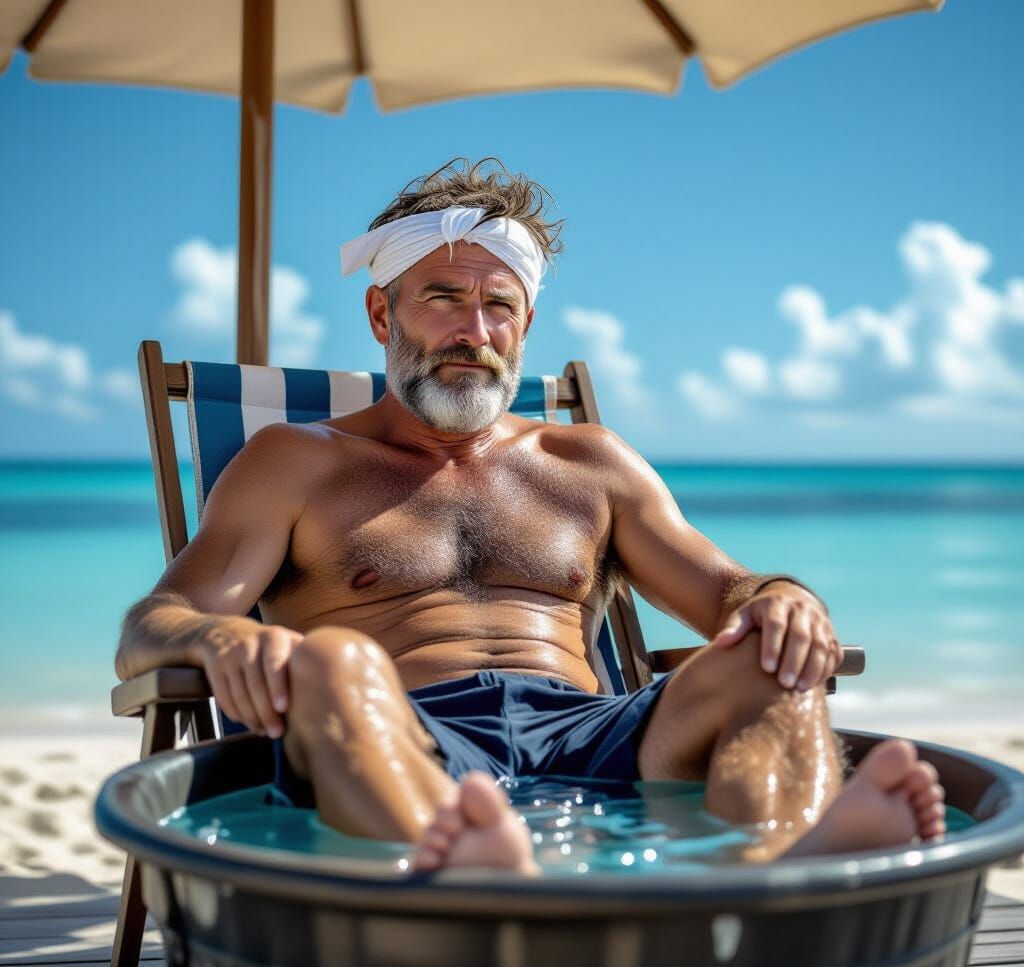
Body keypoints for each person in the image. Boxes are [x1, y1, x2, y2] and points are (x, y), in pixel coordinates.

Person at [115, 158, 945, 873]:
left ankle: (780, 879)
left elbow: (728, 591)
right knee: (332, 658)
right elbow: (154, 624)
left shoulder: (588, 462)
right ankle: (466, 879)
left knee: (769, 657)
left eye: (499, 306)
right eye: (442, 298)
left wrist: (781, 599)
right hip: (402, 739)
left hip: (599, 737)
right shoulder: (295, 461)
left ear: (526, 324)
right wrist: (220, 639)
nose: (473, 331)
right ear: (381, 315)